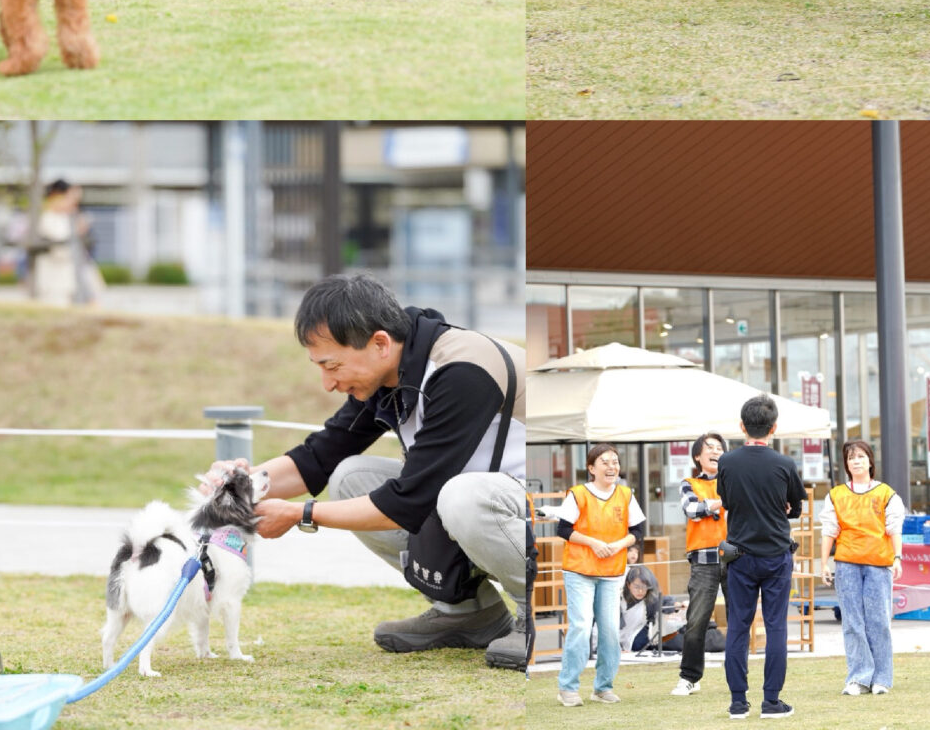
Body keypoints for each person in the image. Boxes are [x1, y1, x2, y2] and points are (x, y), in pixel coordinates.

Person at [211, 273, 529, 667]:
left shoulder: (462, 370)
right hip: (485, 505)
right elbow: (318, 459)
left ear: (379, 343)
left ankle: (549, 612)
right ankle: (466, 613)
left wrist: (301, 514)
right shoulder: (391, 367)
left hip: (552, 507)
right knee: (350, 476)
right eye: (320, 367)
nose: (327, 383)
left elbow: (410, 501)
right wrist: (239, 486)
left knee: (460, 496)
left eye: (332, 365)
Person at [718, 392, 807, 719]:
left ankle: (738, 701)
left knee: (738, 626)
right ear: (774, 428)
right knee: (776, 626)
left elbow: (726, 501)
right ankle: (771, 700)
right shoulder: (784, 464)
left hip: (739, 555)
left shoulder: (727, 462)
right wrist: (782, 506)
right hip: (775, 554)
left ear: (742, 426)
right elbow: (796, 507)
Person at [816, 437, 904, 696]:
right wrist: (824, 564)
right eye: (851, 457)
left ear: (870, 461)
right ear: (846, 463)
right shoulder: (836, 495)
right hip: (846, 563)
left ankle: (882, 678)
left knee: (878, 621)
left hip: (878, 563)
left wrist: (897, 557)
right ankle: (858, 677)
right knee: (852, 622)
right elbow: (829, 531)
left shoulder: (886, 494)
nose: (856, 461)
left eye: (861, 456)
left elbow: (894, 528)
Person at [554, 444, 640, 705]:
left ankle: (603, 687)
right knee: (581, 626)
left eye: (615, 461)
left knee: (610, 630)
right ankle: (567, 687)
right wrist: (593, 543)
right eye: (605, 462)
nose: (611, 466)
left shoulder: (626, 495)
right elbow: (563, 529)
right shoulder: (578, 494)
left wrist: (618, 545)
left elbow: (638, 533)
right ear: (591, 468)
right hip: (580, 570)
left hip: (612, 571)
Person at [669, 432, 729, 696]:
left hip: (734, 554)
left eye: (719, 448)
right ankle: (689, 677)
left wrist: (712, 505)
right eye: (709, 448)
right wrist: (719, 504)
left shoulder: (734, 480)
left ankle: (738, 675)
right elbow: (692, 510)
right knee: (696, 620)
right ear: (697, 456)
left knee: (739, 617)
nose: (715, 451)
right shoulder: (689, 482)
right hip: (703, 559)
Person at [24, 179, 87, 306]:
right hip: (53, 270)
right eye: (67, 198)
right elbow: (61, 239)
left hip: (66, 268)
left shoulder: (65, 217)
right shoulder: (47, 216)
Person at [619, 560, 666, 653]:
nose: (640, 591)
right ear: (628, 585)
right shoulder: (617, 598)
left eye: (644, 587)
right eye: (637, 587)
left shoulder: (648, 600)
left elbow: (665, 602)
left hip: (631, 640)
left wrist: (678, 605)